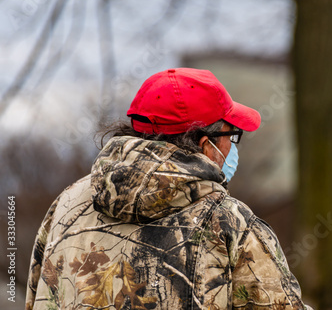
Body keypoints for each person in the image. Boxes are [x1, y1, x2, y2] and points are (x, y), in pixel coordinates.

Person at [25, 68, 312, 310]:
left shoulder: (67, 205)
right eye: (230, 134)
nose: (233, 146)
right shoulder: (229, 223)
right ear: (205, 144)